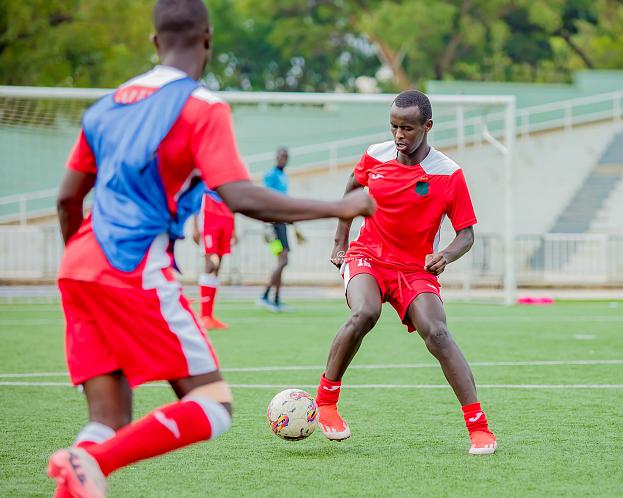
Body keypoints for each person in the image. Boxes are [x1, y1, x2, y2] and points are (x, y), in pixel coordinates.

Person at [48, 1, 375, 497]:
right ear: (207, 39)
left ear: (155, 42)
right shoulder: (202, 106)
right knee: (212, 405)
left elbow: (67, 199)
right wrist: (339, 205)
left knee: (107, 420)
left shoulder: (107, 105)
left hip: (77, 264)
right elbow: (240, 195)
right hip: (133, 265)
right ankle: (92, 461)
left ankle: (85, 464)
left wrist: (82, 262)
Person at [314, 90, 497, 455]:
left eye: (408, 128)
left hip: (415, 269)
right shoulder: (375, 155)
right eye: (394, 126)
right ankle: (326, 403)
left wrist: (446, 255)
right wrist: (340, 242)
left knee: (438, 333)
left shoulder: (448, 174)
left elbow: (466, 234)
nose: (399, 135)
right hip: (368, 256)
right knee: (365, 312)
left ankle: (479, 428)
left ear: (427, 126)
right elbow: (352, 188)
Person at [258, 147, 305, 311]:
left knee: (282, 261)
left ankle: (276, 298)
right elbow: (265, 197)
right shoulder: (271, 175)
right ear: (276, 157)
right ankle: (265, 295)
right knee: (283, 260)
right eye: (280, 156)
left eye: (285, 156)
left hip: (282, 223)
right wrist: (267, 223)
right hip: (274, 224)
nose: (283, 159)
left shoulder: (284, 176)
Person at [193, 188, 234, 330]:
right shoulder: (205, 180)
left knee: (219, 266)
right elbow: (196, 195)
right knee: (211, 264)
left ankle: (209, 315)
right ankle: (204, 315)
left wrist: (234, 227)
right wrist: (195, 226)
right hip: (209, 212)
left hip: (227, 213)